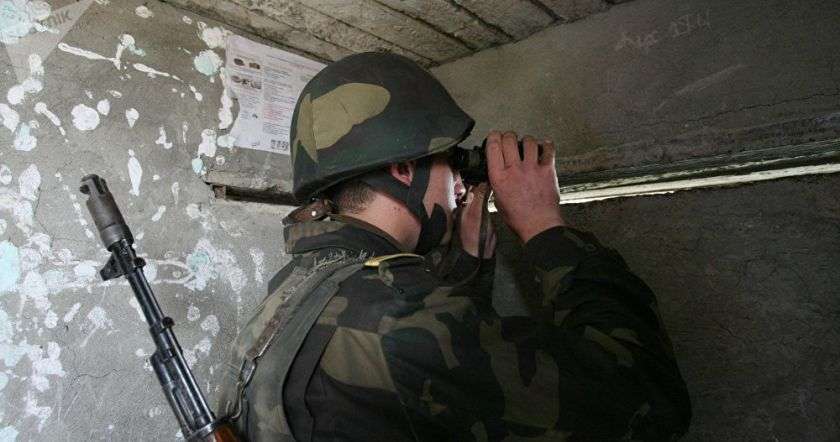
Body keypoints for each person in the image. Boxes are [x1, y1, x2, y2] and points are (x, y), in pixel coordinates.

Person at [218, 52, 691, 441]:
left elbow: (431, 395)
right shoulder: (406, 319)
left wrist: (466, 267)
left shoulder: (289, 293)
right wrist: (544, 226)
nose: (461, 186)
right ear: (405, 169)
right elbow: (648, 401)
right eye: (452, 164)